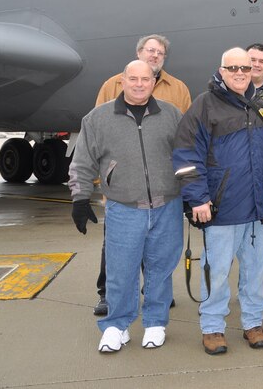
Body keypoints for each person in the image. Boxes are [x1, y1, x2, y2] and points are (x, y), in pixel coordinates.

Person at [69, 60, 184, 352]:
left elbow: (187, 157)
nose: (139, 84)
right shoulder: (98, 119)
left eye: (145, 79)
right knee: (121, 270)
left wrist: (194, 196)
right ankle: (116, 325)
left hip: (167, 206)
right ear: (122, 80)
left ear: (153, 82)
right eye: (133, 78)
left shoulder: (171, 115)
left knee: (161, 267)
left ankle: (155, 322)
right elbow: (82, 162)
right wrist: (80, 198)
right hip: (124, 207)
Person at [172, 47, 263, 355]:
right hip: (221, 208)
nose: (241, 73)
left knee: (255, 271)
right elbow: (186, 156)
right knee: (216, 271)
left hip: (256, 211)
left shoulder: (260, 107)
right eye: (234, 68)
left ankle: (253, 322)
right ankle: (213, 327)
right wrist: (198, 198)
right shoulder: (205, 105)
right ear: (222, 70)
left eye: (245, 68)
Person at [92, 34, 192, 317]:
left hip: (162, 186)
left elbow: (186, 139)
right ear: (139, 52)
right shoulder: (113, 84)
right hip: (124, 188)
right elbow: (96, 134)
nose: (155, 55)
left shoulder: (178, 88)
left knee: (160, 247)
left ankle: (155, 293)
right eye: (150, 50)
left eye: (160, 52)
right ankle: (106, 295)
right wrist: (105, 180)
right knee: (116, 247)